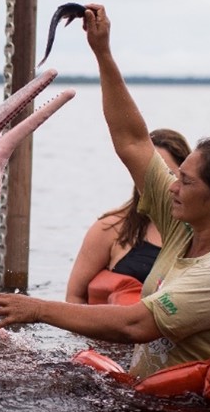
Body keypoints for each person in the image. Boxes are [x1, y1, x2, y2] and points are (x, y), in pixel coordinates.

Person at [0, 3, 210, 380]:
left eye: (186, 181)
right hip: (147, 394)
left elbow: (135, 325)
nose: (173, 186)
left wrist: (37, 309)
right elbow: (133, 142)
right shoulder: (186, 230)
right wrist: (102, 52)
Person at [65, 128, 191, 305]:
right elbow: (75, 296)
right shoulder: (111, 228)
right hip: (113, 329)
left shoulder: (200, 234)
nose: (156, 181)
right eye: (148, 172)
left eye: (166, 174)